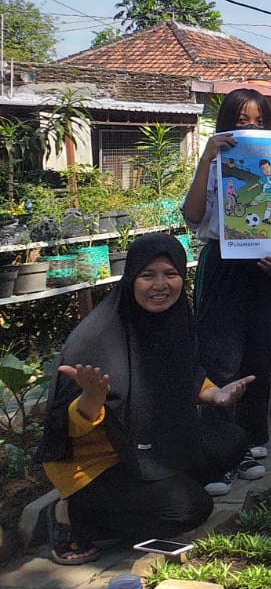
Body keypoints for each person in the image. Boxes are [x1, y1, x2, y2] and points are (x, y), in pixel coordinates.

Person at [37, 234, 253, 564]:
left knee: (231, 441)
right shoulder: (97, 337)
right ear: (131, 278)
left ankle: (149, 497)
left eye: (170, 273)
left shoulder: (174, 318)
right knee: (191, 508)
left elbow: (185, 372)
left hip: (141, 446)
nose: (160, 285)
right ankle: (74, 516)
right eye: (147, 275)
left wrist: (215, 393)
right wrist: (93, 398)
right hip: (94, 466)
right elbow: (63, 428)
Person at [181, 87, 271, 486]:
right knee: (219, 359)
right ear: (227, 124)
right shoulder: (216, 160)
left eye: (259, 121)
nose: (251, 128)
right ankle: (218, 454)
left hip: (266, 266)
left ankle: (250, 442)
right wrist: (207, 155)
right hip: (223, 262)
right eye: (242, 121)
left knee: (257, 358)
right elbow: (192, 215)